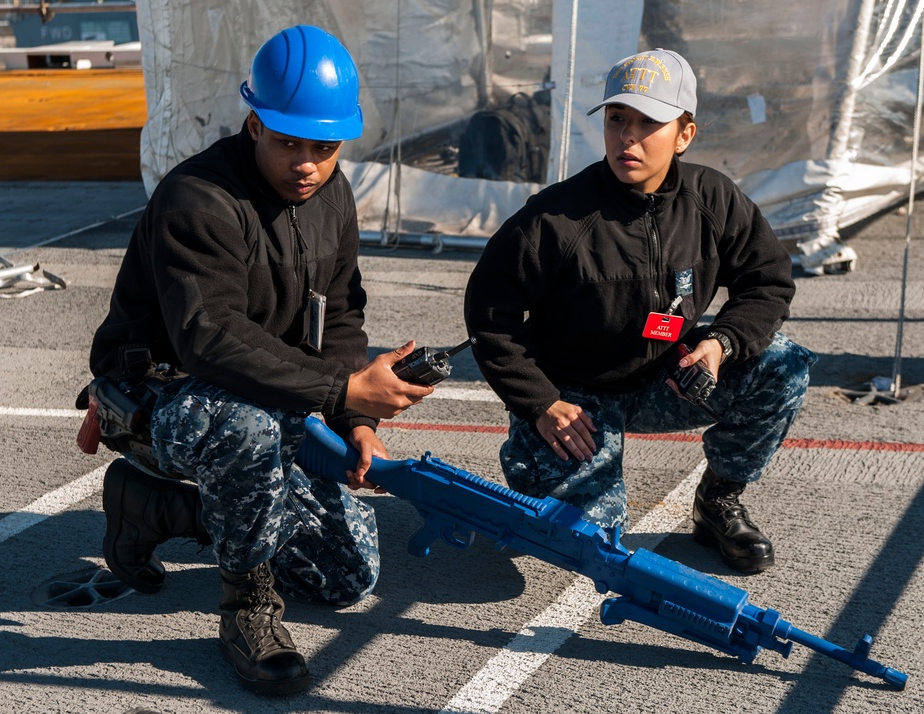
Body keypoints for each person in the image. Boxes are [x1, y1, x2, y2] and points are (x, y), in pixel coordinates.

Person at [87, 25, 433, 696]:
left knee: (344, 577)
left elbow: (340, 315)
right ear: (254, 124)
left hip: (266, 386)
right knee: (240, 426)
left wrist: (357, 415)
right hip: (161, 395)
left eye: (324, 148)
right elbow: (210, 341)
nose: (306, 163)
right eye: (288, 143)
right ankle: (248, 609)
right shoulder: (199, 199)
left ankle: (159, 510)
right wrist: (341, 389)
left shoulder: (331, 196)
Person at [463, 49, 817, 576]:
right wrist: (540, 404)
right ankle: (532, 457)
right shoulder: (554, 217)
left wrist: (718, 344)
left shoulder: (712, 197)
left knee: (783, 365)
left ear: (684, 134)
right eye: (617, 119)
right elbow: (491, 318)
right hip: (575, 398)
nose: (628, 137)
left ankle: (717, 501)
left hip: (667, 378)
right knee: (589, 542)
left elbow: (768, 282)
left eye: (650, 122)